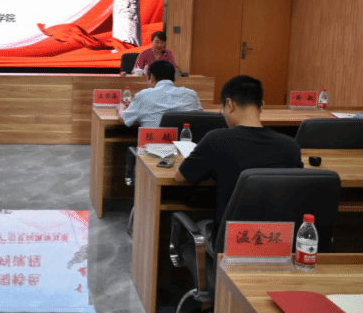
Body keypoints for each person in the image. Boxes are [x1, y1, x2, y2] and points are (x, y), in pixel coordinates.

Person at [174, 75, 303, 245]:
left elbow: (180, 177)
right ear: (261, 106)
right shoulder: (290, 146)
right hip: (278, 242)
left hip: (231, 245)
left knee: (201, 224)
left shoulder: (216, 140)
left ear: (229, 104)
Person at [118, 60, 202, 128]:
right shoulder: (192, 94)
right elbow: (201, 117)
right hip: (185, 143)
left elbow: (124, 119)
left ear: (152, 77)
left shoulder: (143, 95)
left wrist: (121, 107)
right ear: (173, 78)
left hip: (153, 143)